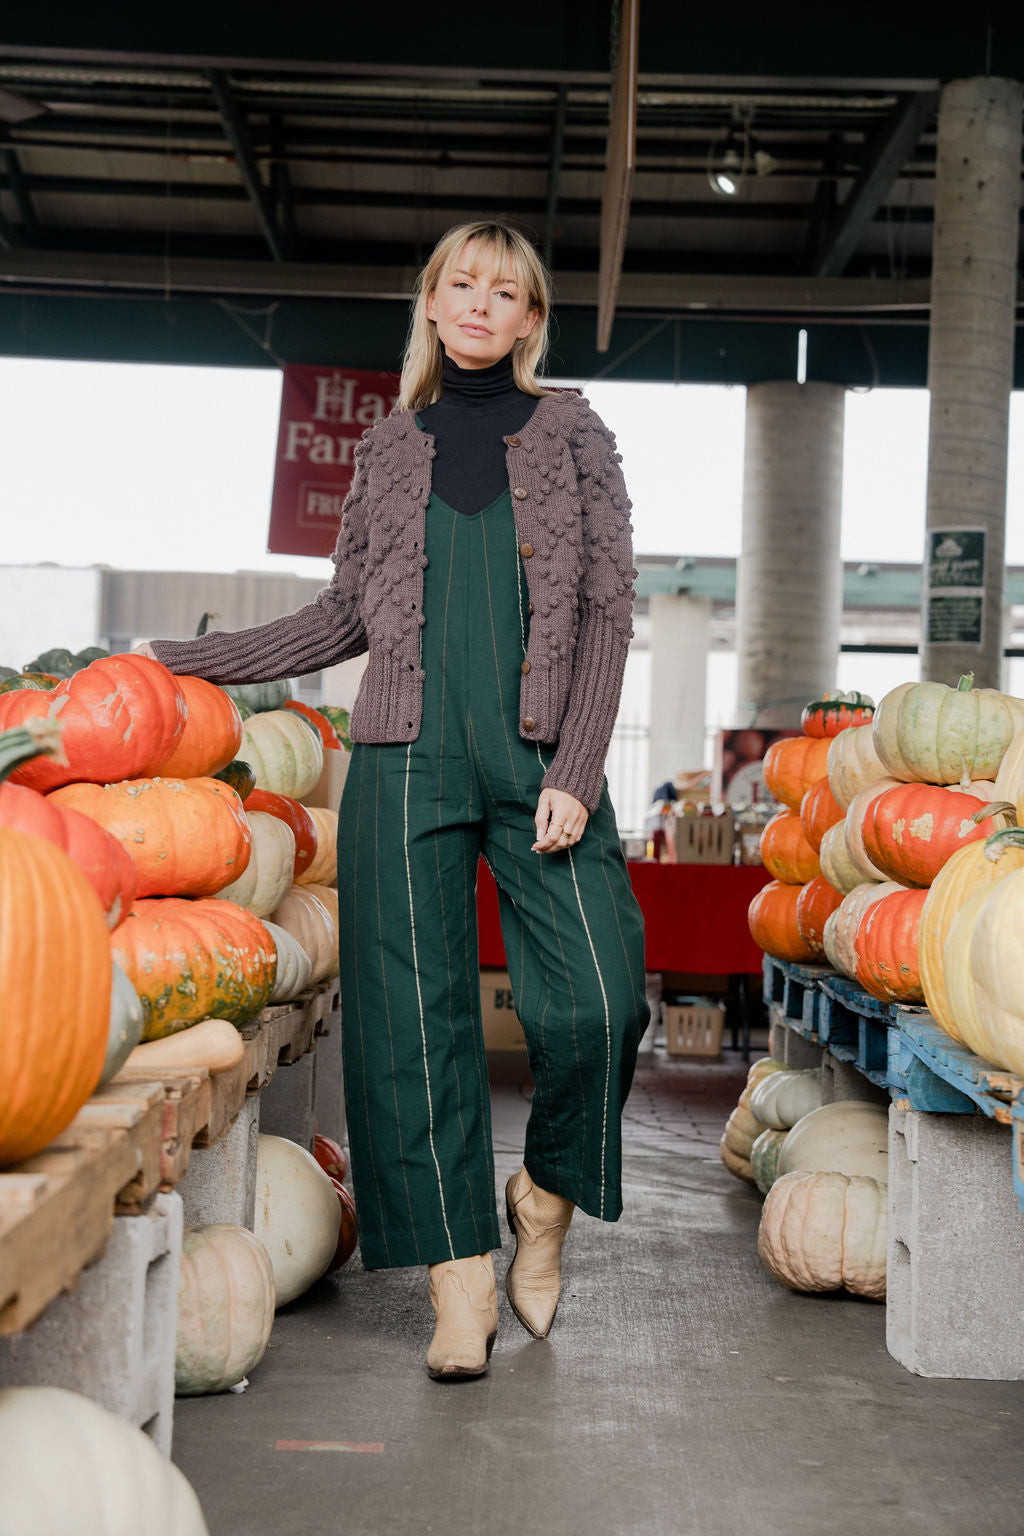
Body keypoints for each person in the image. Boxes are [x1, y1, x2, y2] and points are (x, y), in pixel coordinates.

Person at [144, 220, 650, 1381]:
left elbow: (609, 616)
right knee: (410, 1028)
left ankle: (546, 1200)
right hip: (405, 754)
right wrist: (183, 660)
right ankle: (458, 1281)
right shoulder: (388, 449)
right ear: (430, 304)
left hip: (538, 764)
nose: (480, 304)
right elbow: (343, 620)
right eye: (460, 284)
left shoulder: (574, 434)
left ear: (530, 319)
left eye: (505, 290)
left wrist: (574, 771)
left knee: (598, 1006)